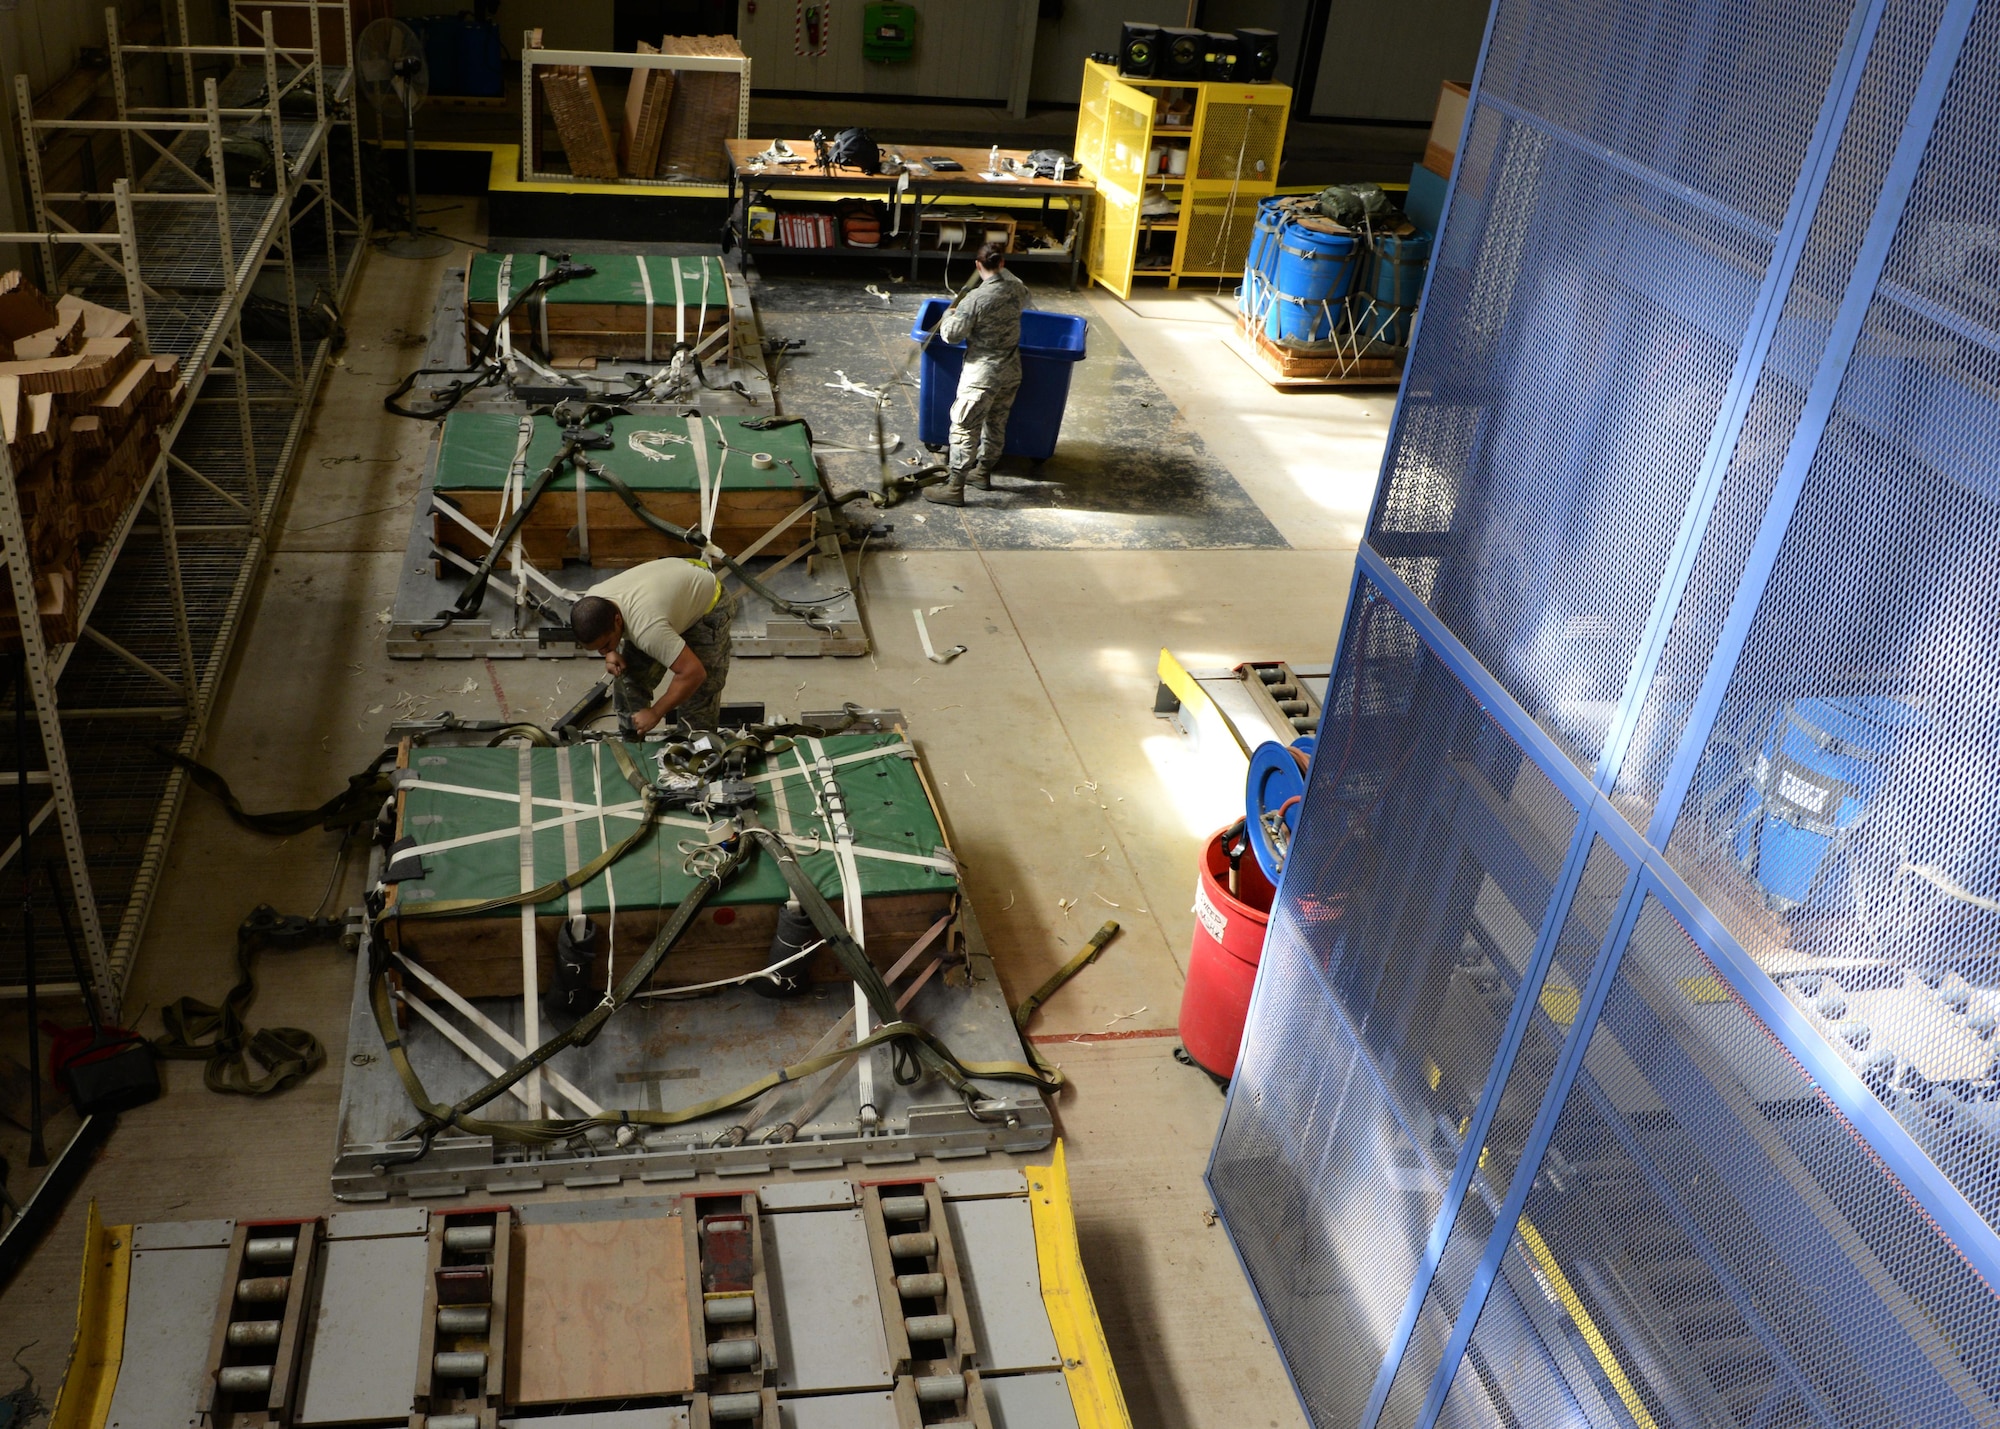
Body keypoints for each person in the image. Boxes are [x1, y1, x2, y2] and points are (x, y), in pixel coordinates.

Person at [570, 557, 737, 731]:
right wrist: (610, 651)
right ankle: (632, 748)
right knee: (629, 683)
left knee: (699, 698)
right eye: (597, 648)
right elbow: (608, 637)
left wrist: (656, 712)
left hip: (706, 602)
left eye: (605, 644)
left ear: (617, 620)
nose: (601, 652)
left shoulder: (647, 630)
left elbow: (693, 673)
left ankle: (695, 748)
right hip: (664, 602)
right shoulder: (591, 600)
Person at [925, 242, 1028, 506]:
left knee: (963, 428)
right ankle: (982, 473)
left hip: (982, 375)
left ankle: (954, 488)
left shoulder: (975, 299)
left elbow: (951, 335)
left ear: (977, 265)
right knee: (996, 423)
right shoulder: (1017, 288)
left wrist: (950, 315)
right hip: (1011, 369)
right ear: (1002, 263)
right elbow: (1022, 293)